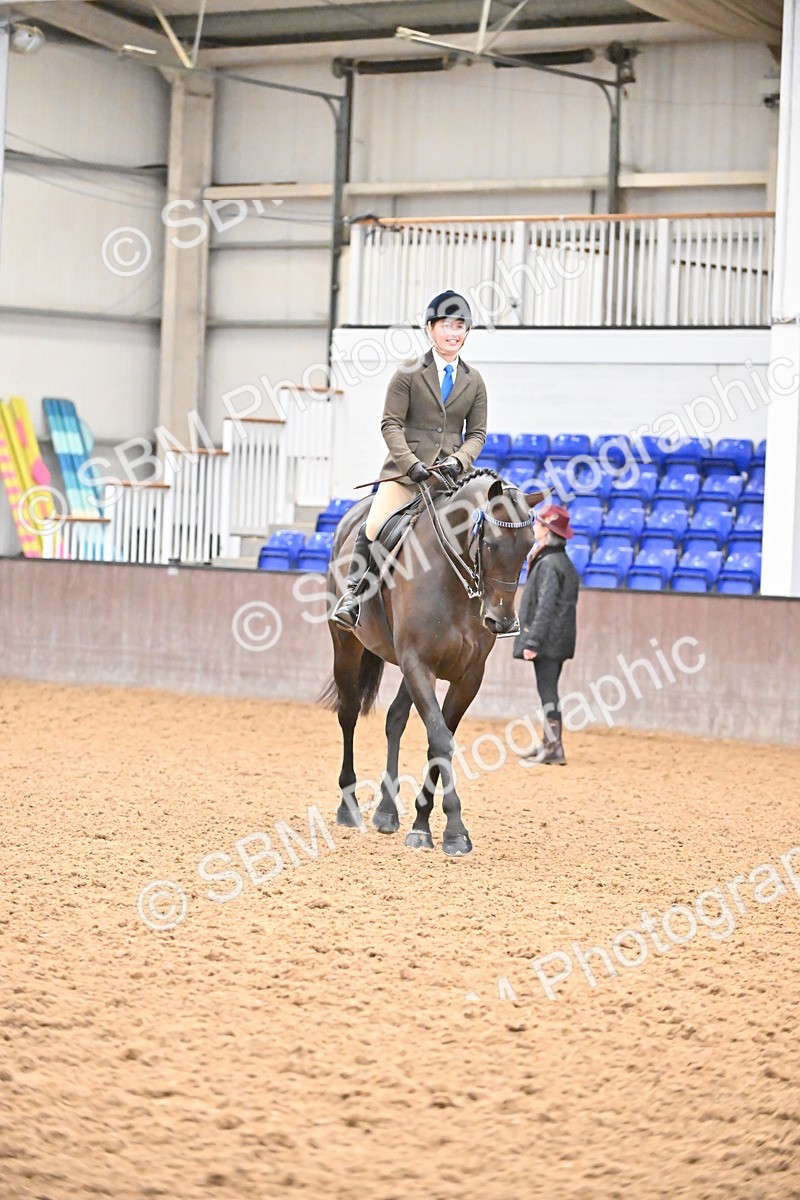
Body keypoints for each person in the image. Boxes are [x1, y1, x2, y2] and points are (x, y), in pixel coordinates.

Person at [332, 290, 488, 629]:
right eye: (447, 325)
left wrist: (459, 461)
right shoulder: (408, 373)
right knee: (373, 525)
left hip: (452, 478)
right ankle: (354, 596)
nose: (454, 333)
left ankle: (490, 607)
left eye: (460, 326)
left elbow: (477, 433)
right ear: (431, 328)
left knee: (486, 530)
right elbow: (391, 424)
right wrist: (410, 464)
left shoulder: (474, 381)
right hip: (407, 474)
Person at [512, 505, 579, 766]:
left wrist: (533, 640)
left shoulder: (549, 563)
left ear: (547, 530)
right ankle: (548, 742)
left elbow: (545, 606)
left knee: (548, 691)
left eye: (540, 525)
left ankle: (553, 746)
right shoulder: (561, 562)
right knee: (548, 690)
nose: (536, 528)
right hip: (558, 638)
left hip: (548, 639)